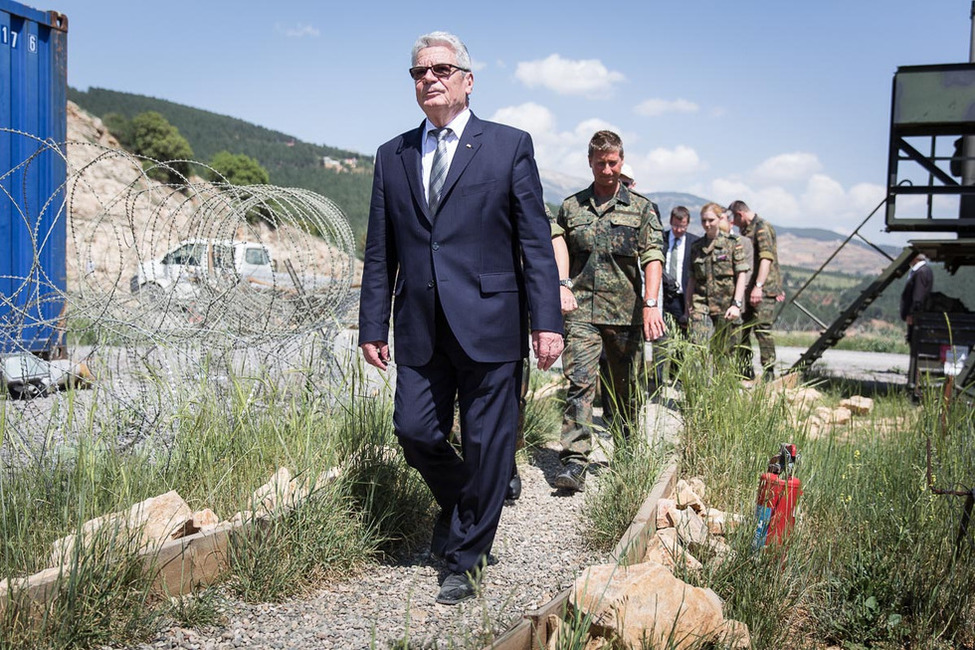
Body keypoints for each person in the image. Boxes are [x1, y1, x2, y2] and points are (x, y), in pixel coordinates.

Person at [357, 31, 564, 605]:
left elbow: (535, 243)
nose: (430, 78)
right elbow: (381, 251)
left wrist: (547, 321)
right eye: (419, 71)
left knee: (487, 443)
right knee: (415, 430)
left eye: (442, 69)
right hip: (420, 324)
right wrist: (372, 324)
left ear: (467, 81)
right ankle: (464, 501)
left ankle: (466, 556)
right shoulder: (391, 155)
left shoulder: (507, 146)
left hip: (492, 321)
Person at [551, 130, 665, 493]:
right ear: (590, 162)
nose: (607, 169)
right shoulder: (572, 207)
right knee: (580, 383)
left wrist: (650, 304)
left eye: (613, 162)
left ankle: (627, 450)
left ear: (621, 160)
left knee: (625, 389)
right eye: (600, 163)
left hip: (625, 313)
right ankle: (575, 460)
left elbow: (652, 257)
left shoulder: (641, 208)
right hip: (582, 310)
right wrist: (562, 284)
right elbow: (559, 245)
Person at [685, 203, 750, 362]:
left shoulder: (732, 243)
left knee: (725, 353)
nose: (707, 224)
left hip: (726, 306)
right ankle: (699, 385)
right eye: (703, 221)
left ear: (720, 219)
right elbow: (692, 279)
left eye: (711, 220)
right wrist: (688, 308)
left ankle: (721, 386)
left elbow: (741, 274)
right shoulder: (696, 246)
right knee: (698, 348)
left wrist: (736, 304)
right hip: (702, 305)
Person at [727, 199, 782, 381]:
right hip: (748, 288)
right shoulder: (747, 229)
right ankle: (745, 370)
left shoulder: (761, 228)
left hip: (762, 289)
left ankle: (768, 372)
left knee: (762, 330)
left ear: (740, 214)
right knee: (741, 329)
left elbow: (766, 259)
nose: (733, 224)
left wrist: (759, 286)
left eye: (734, 219)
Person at [900, 252, 934, 338]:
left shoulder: (921, 272)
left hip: (915, 314)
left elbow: (918, 295)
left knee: (914, 339)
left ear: (915, 259)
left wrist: (912, 314)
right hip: (917, 312)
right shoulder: (924, 270)